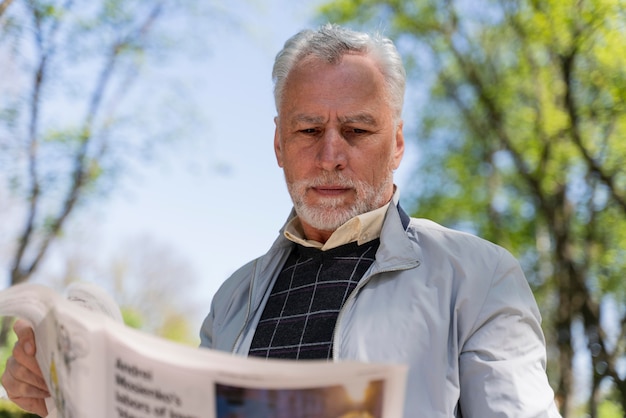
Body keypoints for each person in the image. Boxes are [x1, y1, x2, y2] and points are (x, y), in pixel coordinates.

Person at [2, 24, 561, 417]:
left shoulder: (478, 277)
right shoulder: (232, 299)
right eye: (309, 130)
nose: (331, 155)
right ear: (277, 143)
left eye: (358, 131)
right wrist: (64, 396)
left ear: (396, 144)